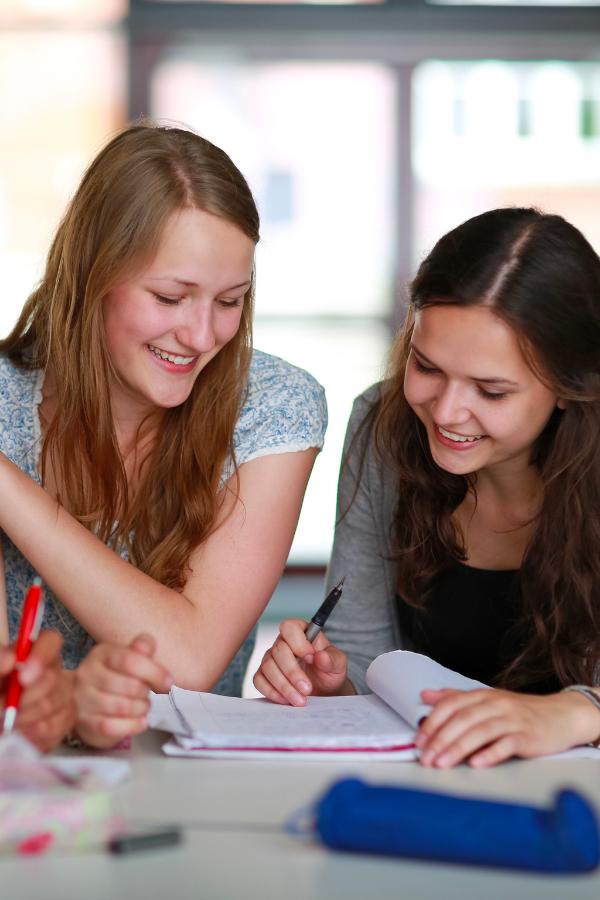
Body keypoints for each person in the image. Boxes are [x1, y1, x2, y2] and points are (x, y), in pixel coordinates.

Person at [0, 121, 326, 748]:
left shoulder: (276, 407)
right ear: (93, 277)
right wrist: (68, 702)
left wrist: (8, 487)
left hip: (191, 797)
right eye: (171, 297)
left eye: (230, 301)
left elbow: (189, 658)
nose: (203, 337)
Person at [254, 206, 600, 767]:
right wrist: (328, 687)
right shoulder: (383, 427)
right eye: (427, 366)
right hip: (426, 788)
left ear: (568, 387)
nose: (446, 411)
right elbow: (366, 670)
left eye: (491, 391)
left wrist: (573, 712)